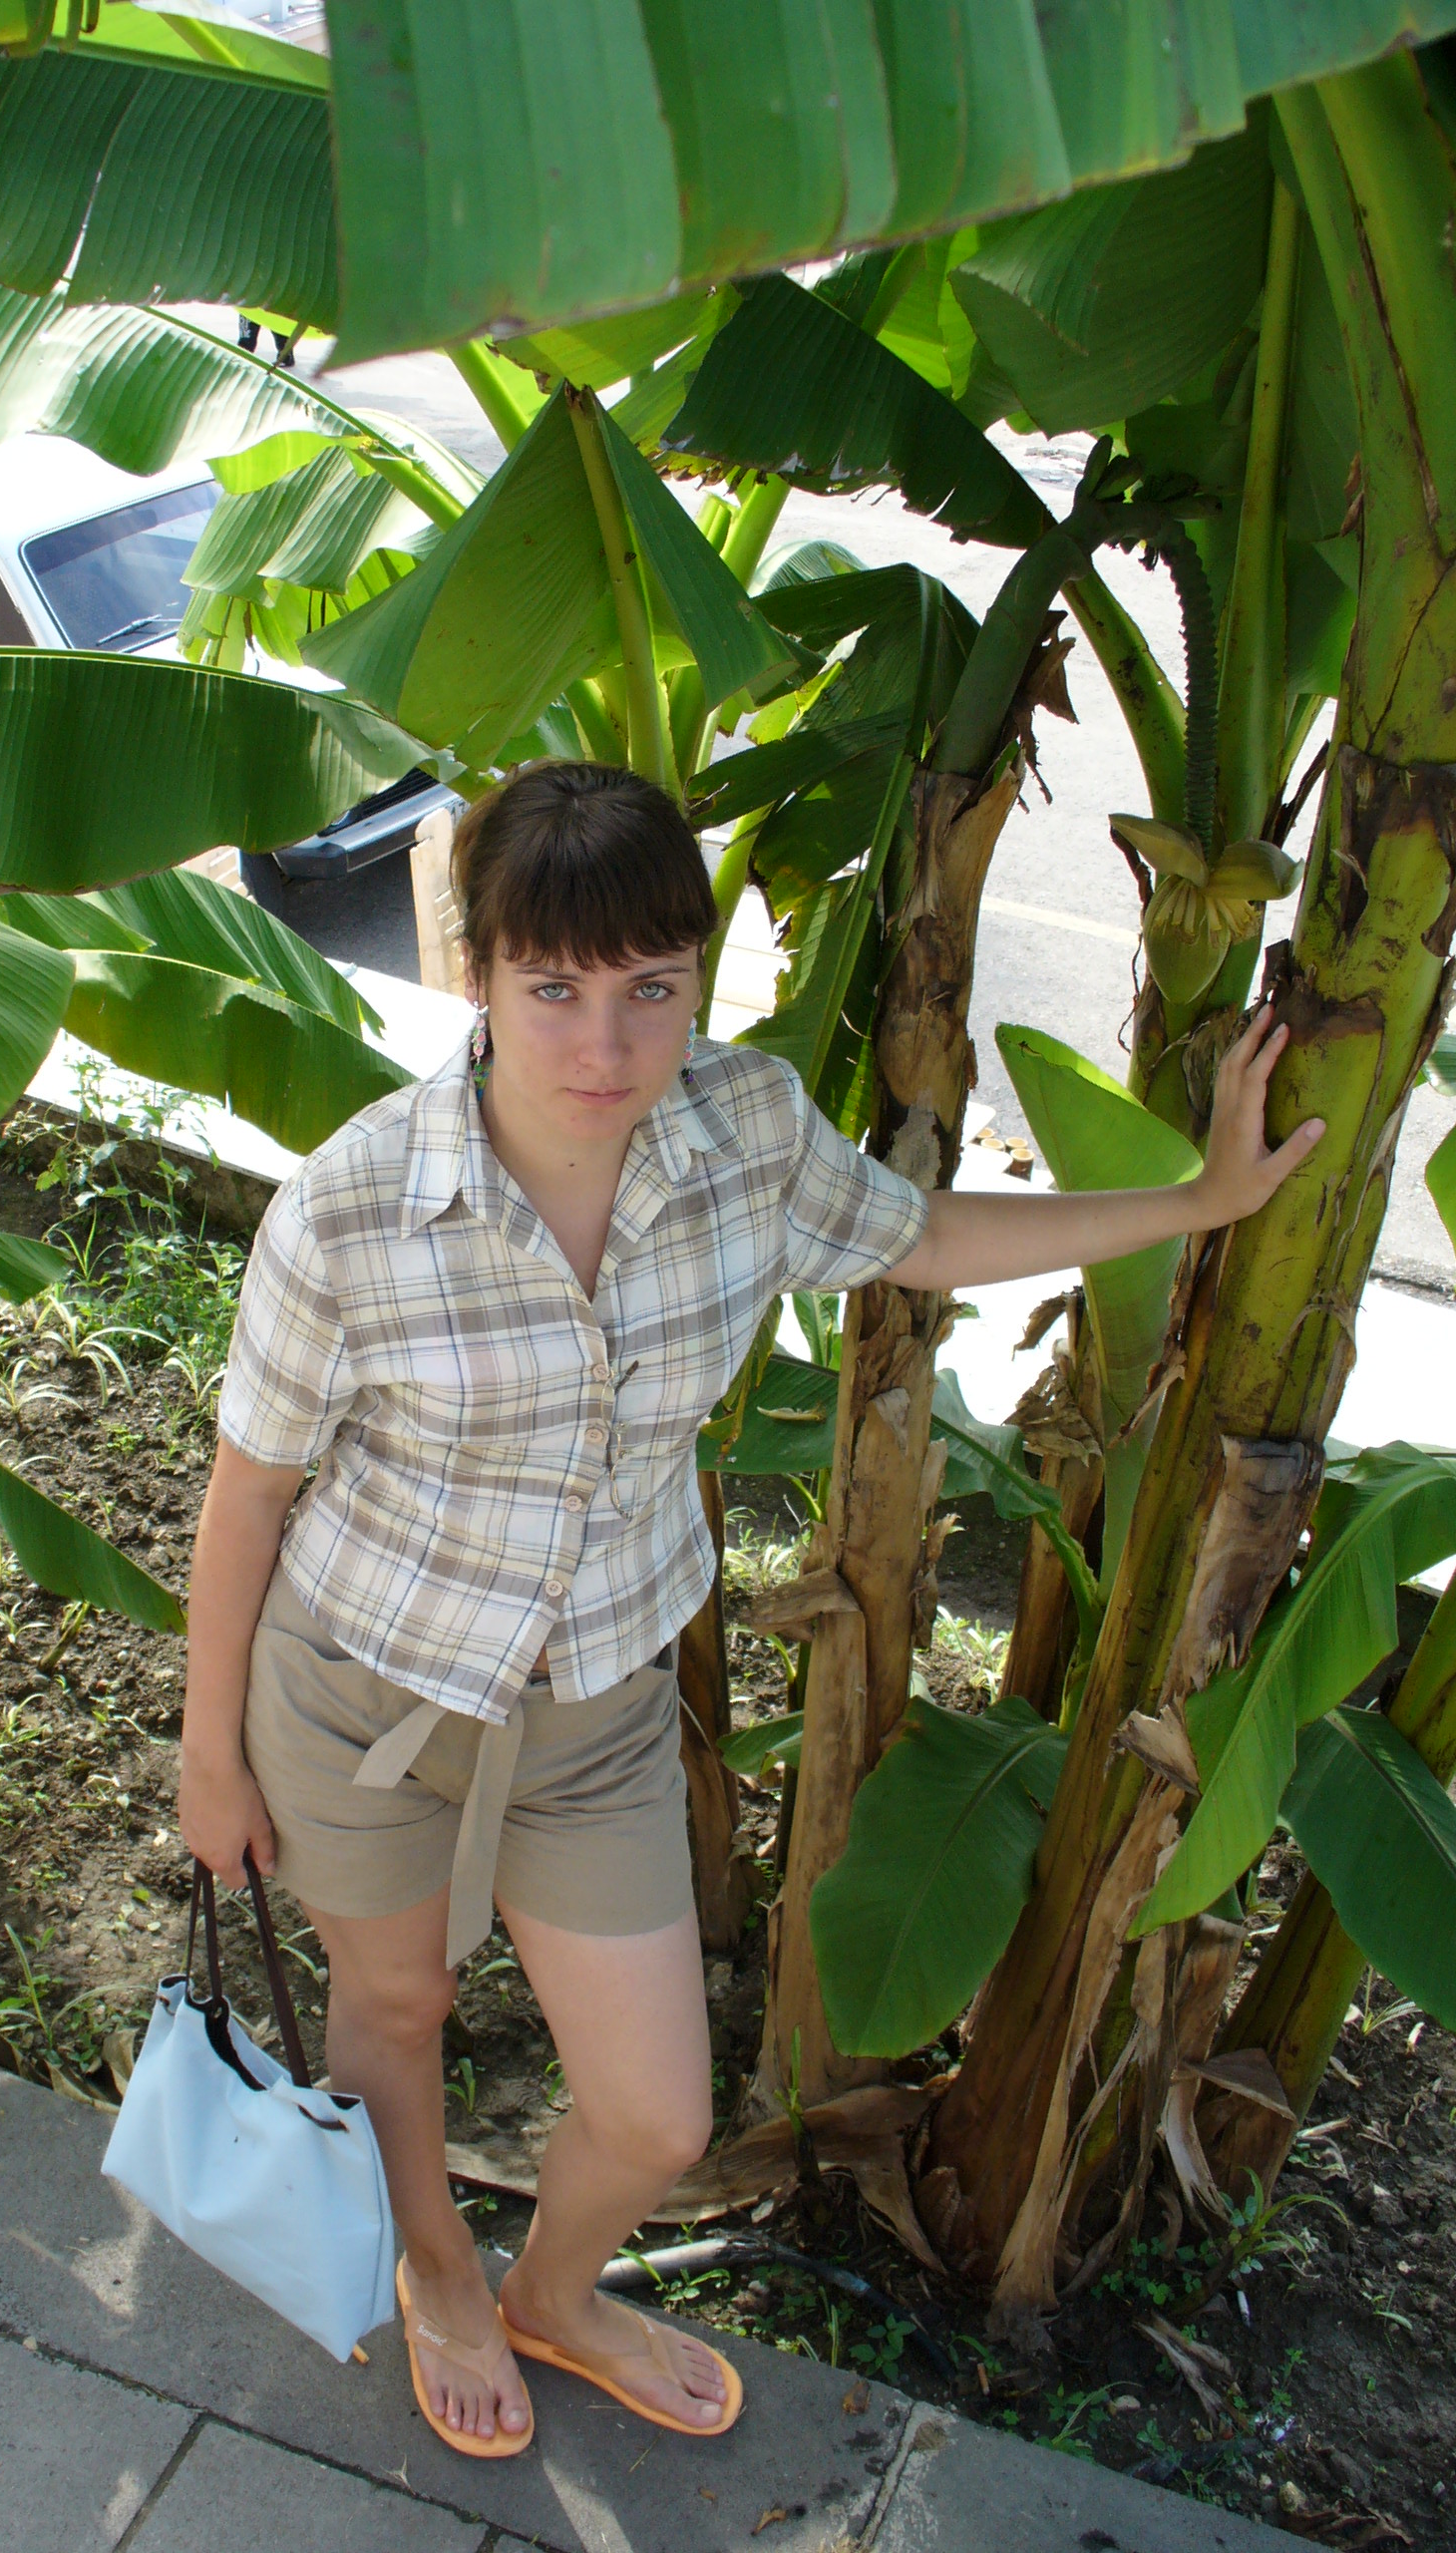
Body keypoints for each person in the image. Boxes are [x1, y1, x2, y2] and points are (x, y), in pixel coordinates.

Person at [178, 760, 1324, 2457]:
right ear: (477, 974)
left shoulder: (744, 1133)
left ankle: (553, 2292)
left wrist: (1197, 1205)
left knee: (655, 2115)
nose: (607, 1046)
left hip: (593, 1706)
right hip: (365, 1692)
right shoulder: (354, 1206)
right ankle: (438, 2269)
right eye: (554, 990)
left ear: (695, 980)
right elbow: (249, 1495)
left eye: (652, 989)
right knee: (394, 2012)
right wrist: (209, 1755)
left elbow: (916, 1236)